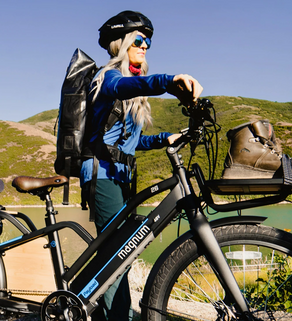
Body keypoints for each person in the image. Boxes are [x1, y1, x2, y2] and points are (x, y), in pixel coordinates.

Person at [80, 10, 203, 321]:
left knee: (123, 252)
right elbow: (121, 88)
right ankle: (115, 315)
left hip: (121, 175)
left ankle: (95, 307)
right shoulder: (108, 78)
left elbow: (132, 144)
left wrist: (165, 138)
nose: (145, 46)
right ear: (121, 43)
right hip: (103, 174)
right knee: (118, 255)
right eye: (139, 40)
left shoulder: (132, 86)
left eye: (148, 42)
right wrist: (166, 82)